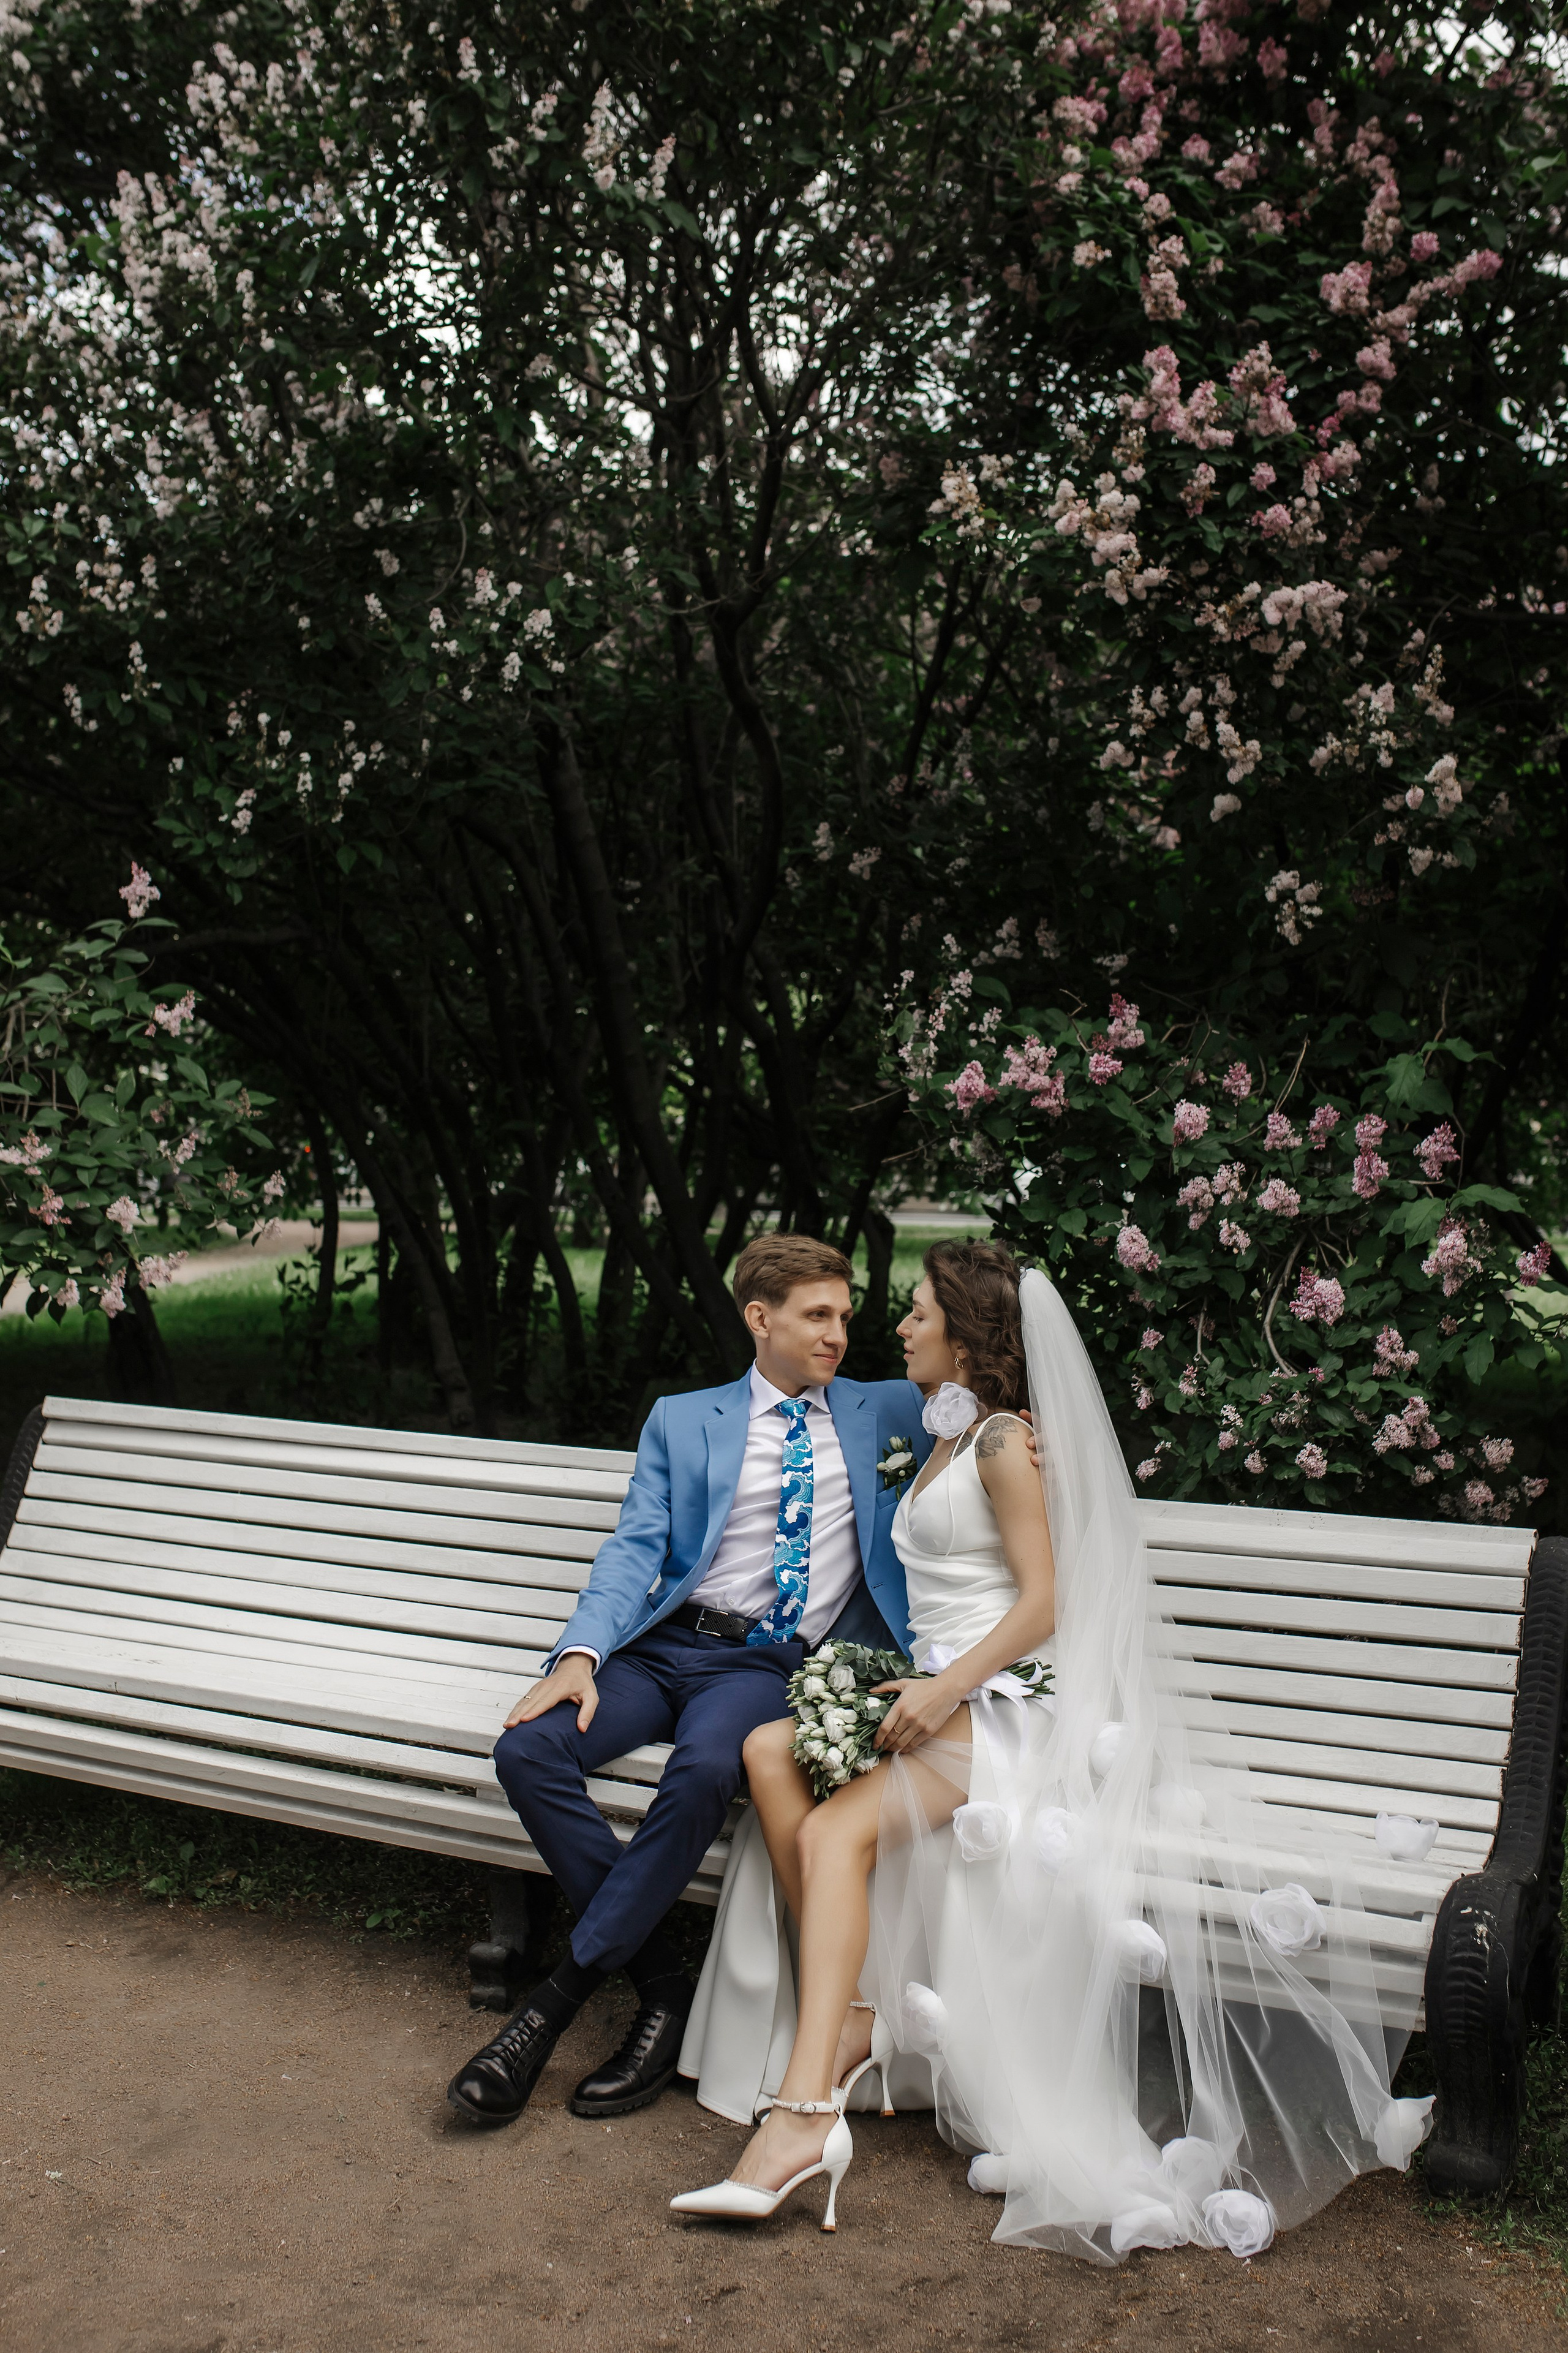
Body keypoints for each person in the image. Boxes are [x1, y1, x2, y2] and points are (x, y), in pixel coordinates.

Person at [672, 1247, 1434, 2264]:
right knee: (771, 1746)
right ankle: (853, 2015)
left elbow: (1047, 1602)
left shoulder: (1000, 1444)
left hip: (1012, 1706)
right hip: (945, 1688)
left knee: (832, 1826)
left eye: (918, 1312)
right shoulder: (945, 1438)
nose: (900, 1328)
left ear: (967, 1334)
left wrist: (945, 1686)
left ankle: (808, 2110)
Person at [446, 1232, 936, 2128]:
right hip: (665, 1647)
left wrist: (1026, 1447)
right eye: (816, 1316)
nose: (838, 1334)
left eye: (845, 1316)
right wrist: (580, 1657)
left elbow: (994, 1392)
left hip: (766, 1663)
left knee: (712, 1767)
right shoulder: (684, 1417)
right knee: (528, 1751)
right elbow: (635, 1548)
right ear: (761, 1318)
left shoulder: (892, 1410)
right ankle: (663, 1989)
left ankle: (547, 2010)